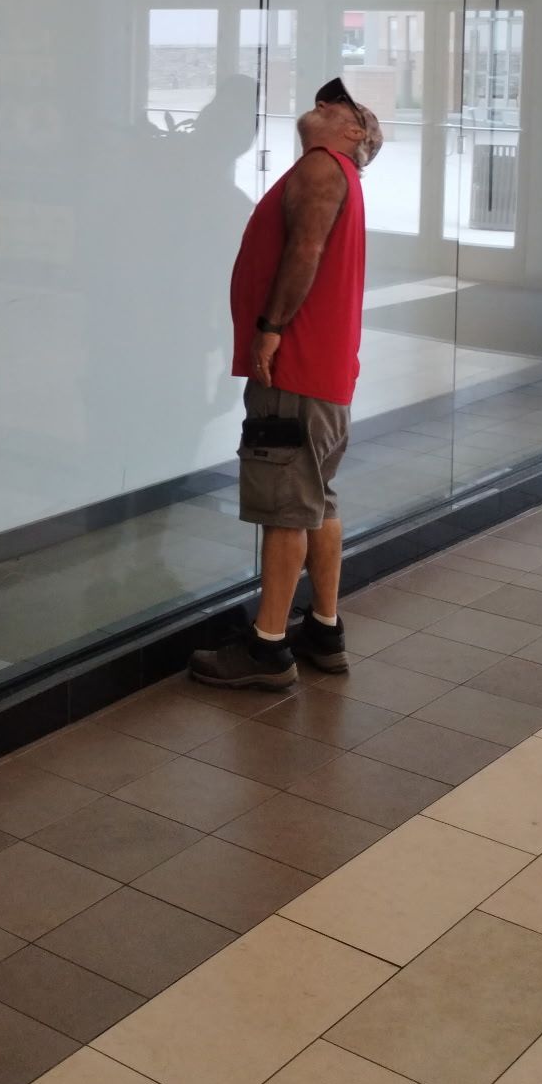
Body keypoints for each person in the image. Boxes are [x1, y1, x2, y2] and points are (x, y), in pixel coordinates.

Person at [189, 77, 382, 690]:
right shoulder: (339, 174)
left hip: (294, 369)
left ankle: (268, 646)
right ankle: (323, 630)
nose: (321, 103)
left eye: (336, 103)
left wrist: (269, 329)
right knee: (318, 499)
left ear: (353, 131)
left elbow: (304, 252)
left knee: (286, 507)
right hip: (325, 372)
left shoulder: (323, 167)